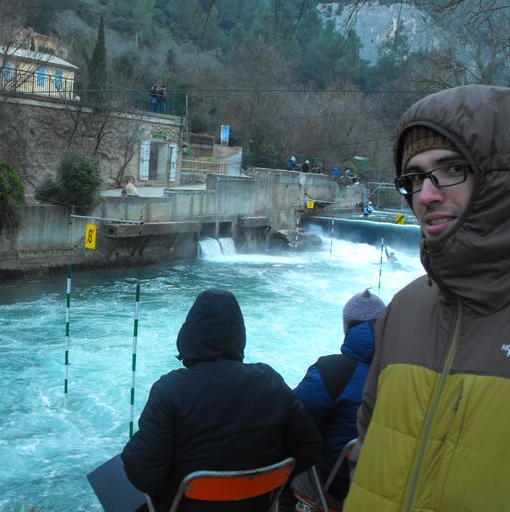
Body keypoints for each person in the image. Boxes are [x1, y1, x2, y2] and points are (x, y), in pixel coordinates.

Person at [345, 84, 510, 510]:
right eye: (414, 177)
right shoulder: (404, 306)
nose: (426, 195)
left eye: (452, 168)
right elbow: (369, 442)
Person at [121, 288, 322, 512]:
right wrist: (264, 478)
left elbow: (142, 473)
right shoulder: (270, 382)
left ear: (188, 334)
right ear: (238, 335)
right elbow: (310, 447)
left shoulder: (170, 389)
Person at [289, 289, 385, 508]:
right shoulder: (405, 372)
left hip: (339, 487)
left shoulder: (332, 372)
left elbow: (292, 415)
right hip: (390, 483)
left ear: (347, 327)